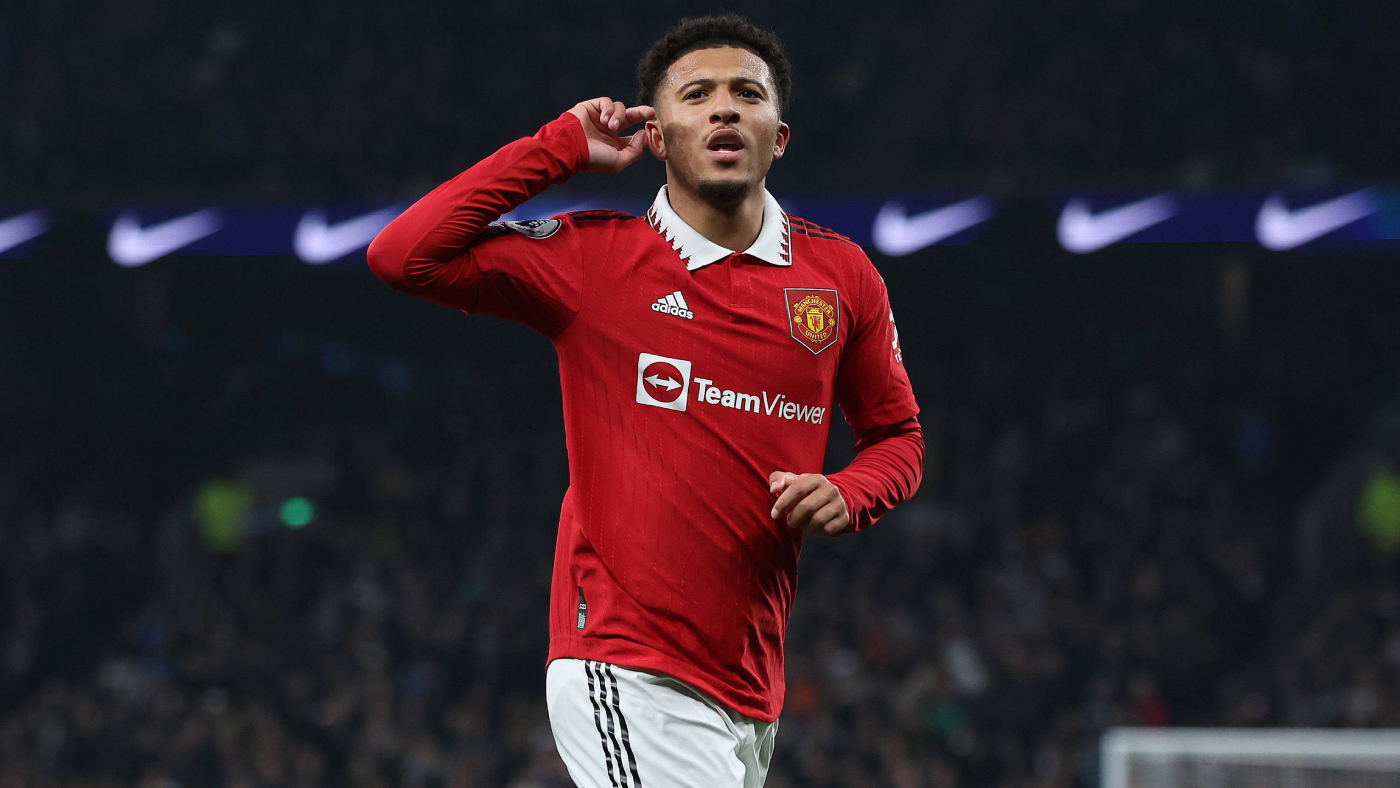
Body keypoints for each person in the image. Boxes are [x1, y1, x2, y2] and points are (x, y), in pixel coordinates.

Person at [368, 14, 923, 788]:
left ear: (779, 136)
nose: (724, 108)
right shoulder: (595, 259)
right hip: (626, 665)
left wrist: (849, 491)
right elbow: (403, 255)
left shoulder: (841, 277)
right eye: (696, 95)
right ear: (656, 136)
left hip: (748, 687)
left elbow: (898, 438)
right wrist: (558, 147)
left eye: (747, 94)